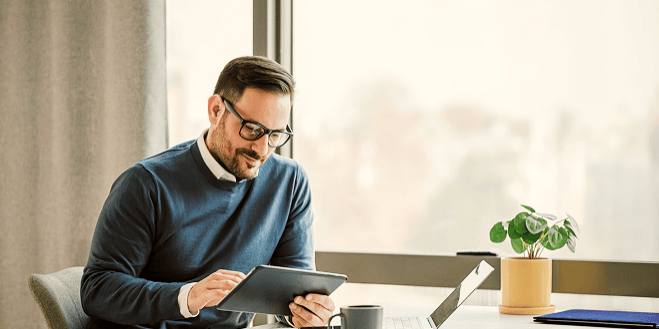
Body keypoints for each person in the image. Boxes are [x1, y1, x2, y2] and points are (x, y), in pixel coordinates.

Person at [81, 56, 335, 328]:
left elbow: (295, 291)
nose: (262, 149)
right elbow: (97, 289)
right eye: (252, 129)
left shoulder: (290, 182)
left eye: (274, 135)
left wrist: (309, 312)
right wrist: (187, 296)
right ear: (216, 110)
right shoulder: (146, 184)